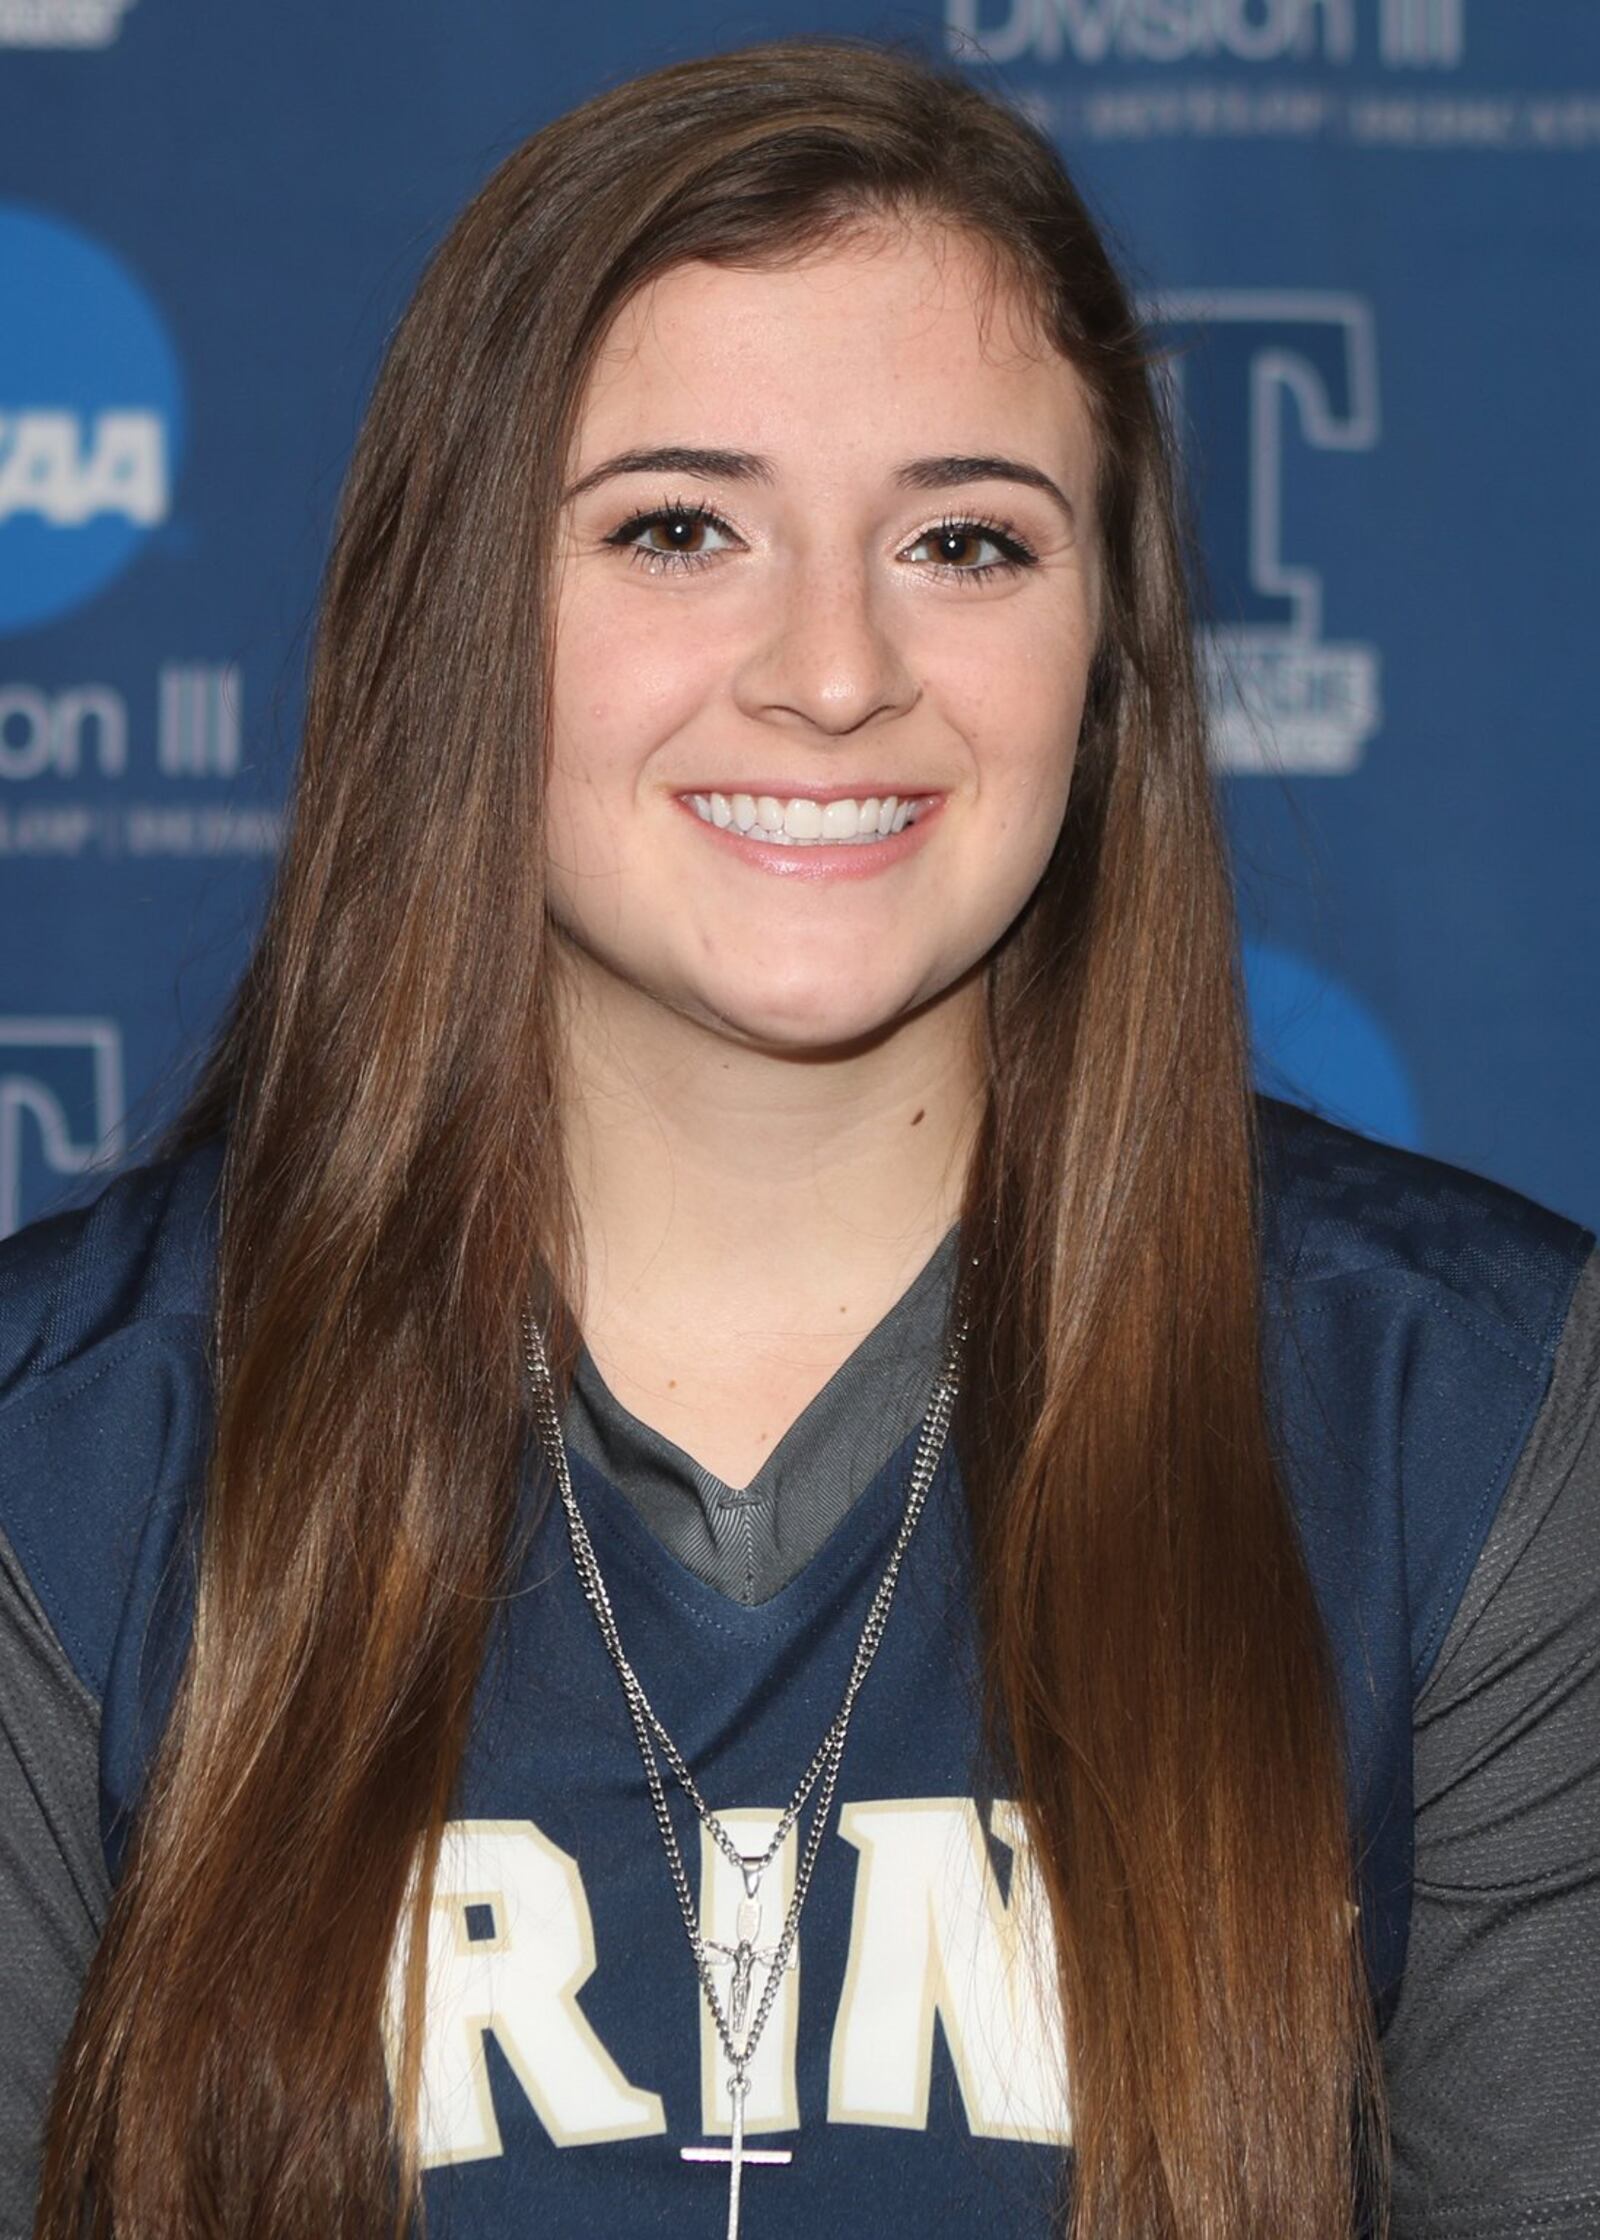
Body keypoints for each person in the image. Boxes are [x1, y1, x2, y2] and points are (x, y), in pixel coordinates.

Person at [2, 37, 1596, 2240]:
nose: (832, 668)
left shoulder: (1469, 1412)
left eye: (963, 540)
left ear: (1103, 659)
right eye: (678, 526)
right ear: (457, 623)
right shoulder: (61, 1451)